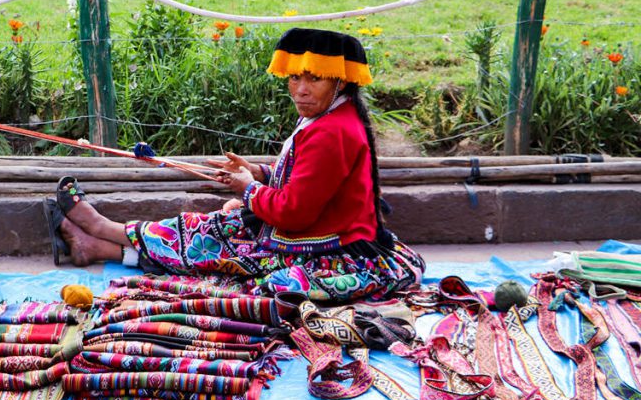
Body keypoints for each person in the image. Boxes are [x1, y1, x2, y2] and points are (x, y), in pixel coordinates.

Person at [46, 28, 425, 303]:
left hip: (331, 252)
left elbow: (295, 212)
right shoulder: (325, 118)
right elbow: (301, 180)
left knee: (227, 261)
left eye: (315, 79)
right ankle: (96, 243)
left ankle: (100, 232)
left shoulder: (332, 132)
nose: (300, 89)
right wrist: (259, 174)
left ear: (341, 83)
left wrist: (247, 189)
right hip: (309, 235)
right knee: (211, 229)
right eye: (295, 77)